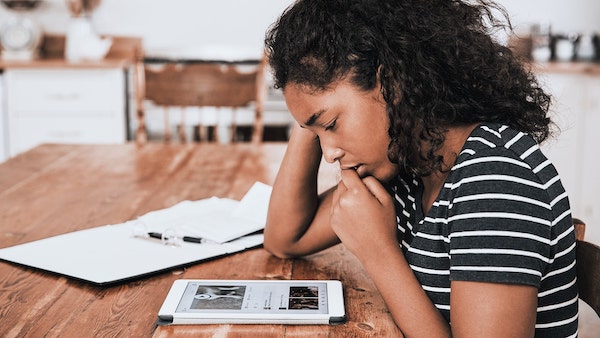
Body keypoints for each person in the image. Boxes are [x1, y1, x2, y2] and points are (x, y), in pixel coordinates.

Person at [263, 0, 579, 337]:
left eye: (332, 124)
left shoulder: (495, 181)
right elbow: (286, 238)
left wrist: (379, 254)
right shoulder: (410, 165)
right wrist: (309, 114)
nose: (329, 154)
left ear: (391, 85)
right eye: (317, 134)